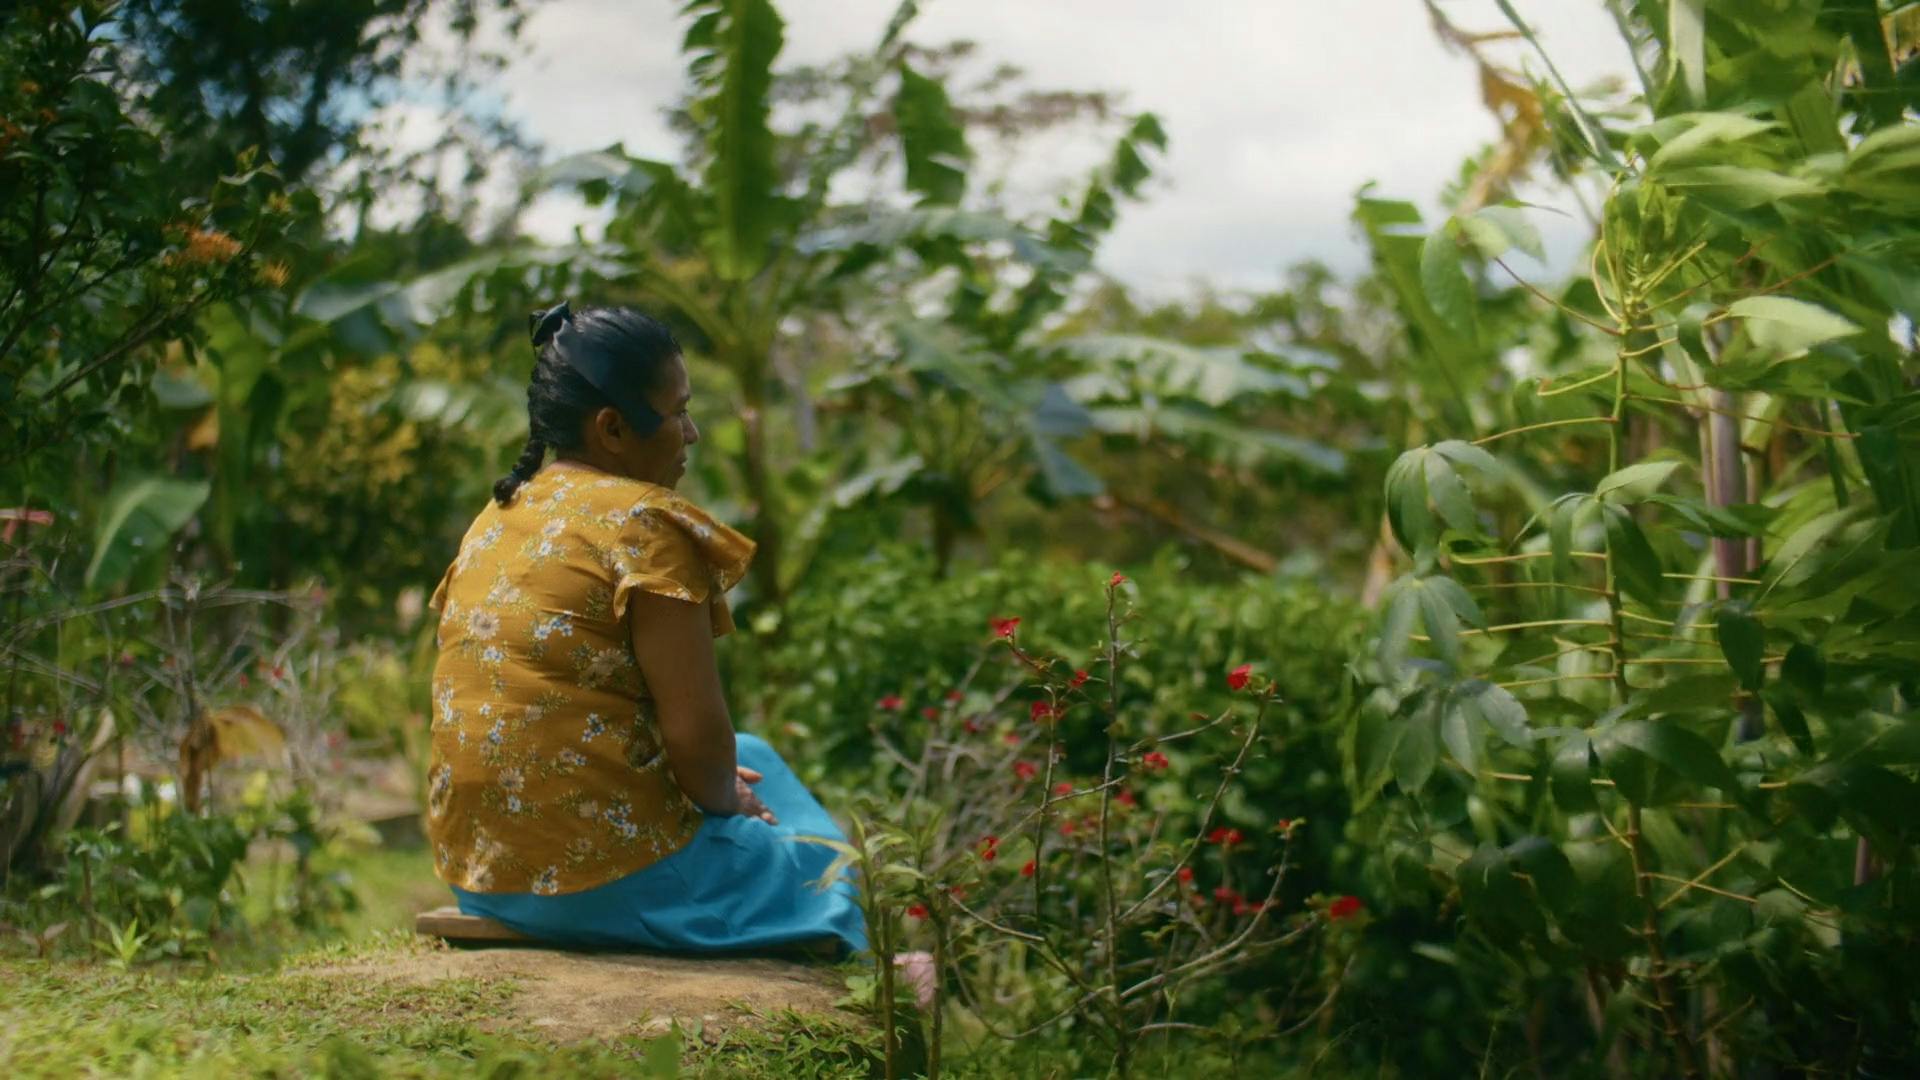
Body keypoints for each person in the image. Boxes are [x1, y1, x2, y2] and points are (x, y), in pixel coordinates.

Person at [423, 301, 866, 955]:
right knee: (823, 865)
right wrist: (728, 802)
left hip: (482, 873)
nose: (690, 432)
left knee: (755, 756)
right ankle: (862, 948)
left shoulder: (497, 516)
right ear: (612, 429)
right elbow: (693, 739)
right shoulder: (646, 524)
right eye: (678, 411)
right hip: (597, 880)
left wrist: (721, 777)